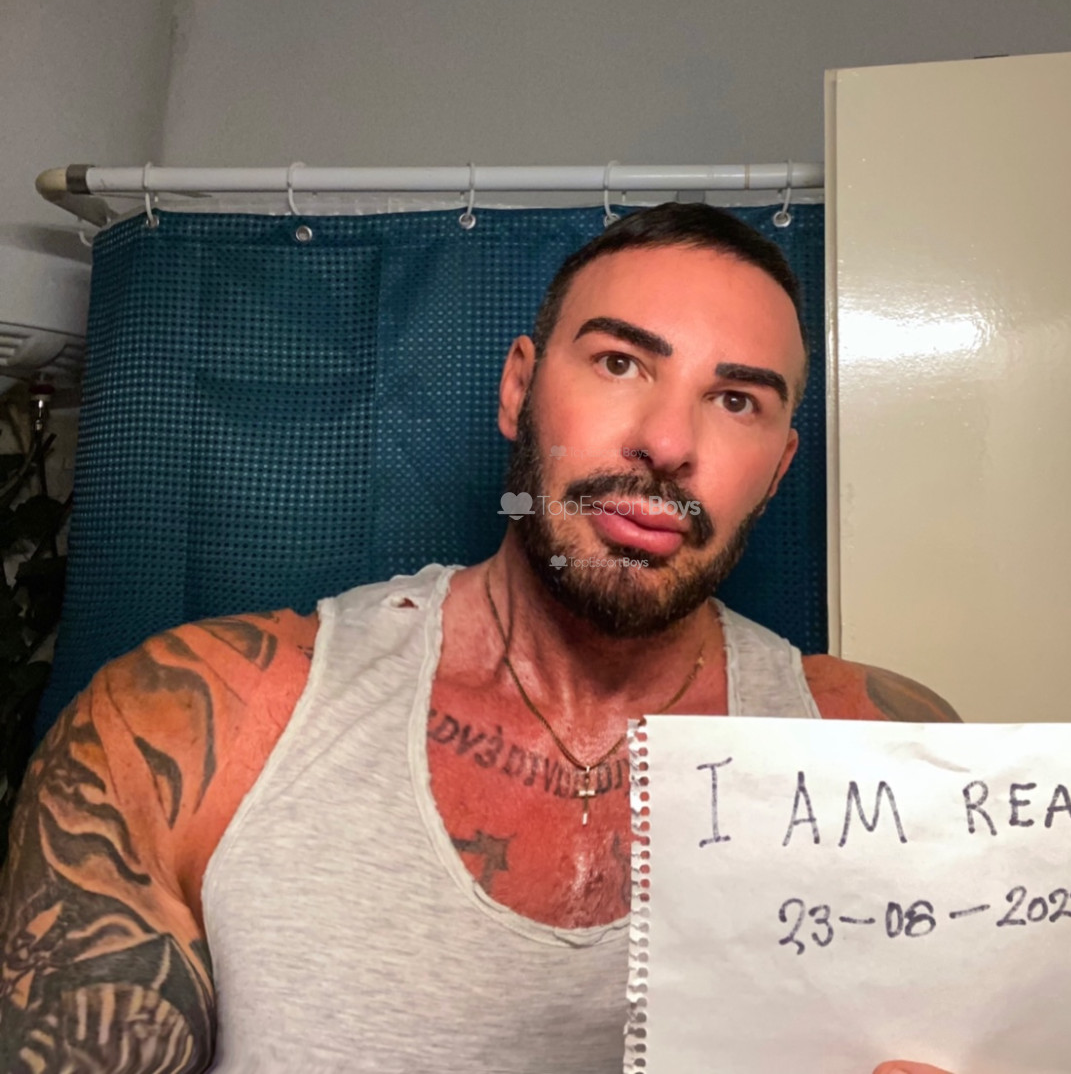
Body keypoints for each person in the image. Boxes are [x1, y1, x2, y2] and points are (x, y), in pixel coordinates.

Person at [0, 204, 958, 1073]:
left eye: (736, 399)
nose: (668, 444)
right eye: (620, 363)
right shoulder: (186, 728)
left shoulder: (890, 755)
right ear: (518, 389)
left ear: (779, 470)